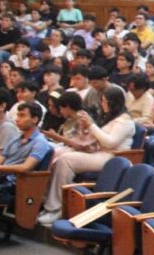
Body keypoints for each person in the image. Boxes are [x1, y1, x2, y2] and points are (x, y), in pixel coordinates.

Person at [38, 86, 135, 225]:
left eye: (105, 101)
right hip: (99, 152)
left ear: (114, 103)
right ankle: (47, 202)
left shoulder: (124, 121)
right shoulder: (110, 117)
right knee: (59, 153)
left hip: (112, 157)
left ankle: (56, 208)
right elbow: (96, 137)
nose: (103, 104)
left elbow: (111, 142)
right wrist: (85, 128)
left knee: (66, 160)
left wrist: (91, 125)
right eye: (102, 101)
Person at [0, 102, 51, 255]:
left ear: (35, 119)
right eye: (17, 115)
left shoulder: (40, 143)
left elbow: (26, 167)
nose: (17, 119)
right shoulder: (16, 140)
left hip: (15, 185)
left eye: (22, 115)